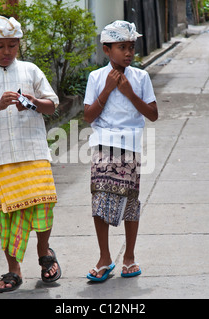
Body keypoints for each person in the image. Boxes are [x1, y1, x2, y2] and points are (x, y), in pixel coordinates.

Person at [0, 16, 61, 293]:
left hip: (34, 152)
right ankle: (14, 269)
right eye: (0, 46)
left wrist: (31, 103)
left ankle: (44, 253)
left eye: (13, 45)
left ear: (19, 45)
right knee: (8, 215)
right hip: (0, 157)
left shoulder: (30, 71)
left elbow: (51, 106)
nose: (6, 52)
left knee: (42, 207)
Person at [83, 20, 158, 281]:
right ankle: (105, 257)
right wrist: (107, 90)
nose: (128, 53)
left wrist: (128, 93)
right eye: (121, 47)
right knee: (99, 200)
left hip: (130, 147)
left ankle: (129, 258)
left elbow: (153, 114)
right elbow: (88, 116)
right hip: (103, 146)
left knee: (130, 202)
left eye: (131, 47)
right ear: (106, 50)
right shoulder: (95, 77)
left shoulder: (140, 77)